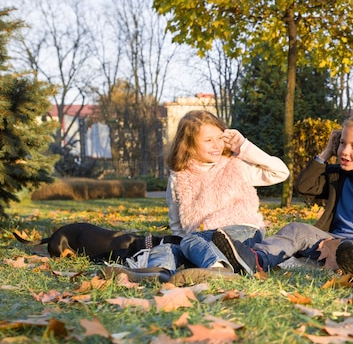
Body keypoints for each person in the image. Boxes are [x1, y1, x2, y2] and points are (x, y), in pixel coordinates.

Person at [211, 114, 353, 279]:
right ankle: (256, 258)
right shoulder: (338, 176)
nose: (344, 151)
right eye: (342, 143)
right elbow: (305, 186)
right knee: (296, 229)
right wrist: (327, 152)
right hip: (332, 240)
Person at [103, 110, 290, 283]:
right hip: (200, 240)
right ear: (189, 145)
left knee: (192, 241)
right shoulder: (179, 177)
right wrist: (182, 244)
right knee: (169, 246)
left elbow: (280, 172)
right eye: (208, 140)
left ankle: (218, 269)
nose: (217, 145)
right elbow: (176, 220)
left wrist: (243, 146)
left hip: (241, 232)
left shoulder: (236, 166)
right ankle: (159, 271)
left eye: (219, 138)